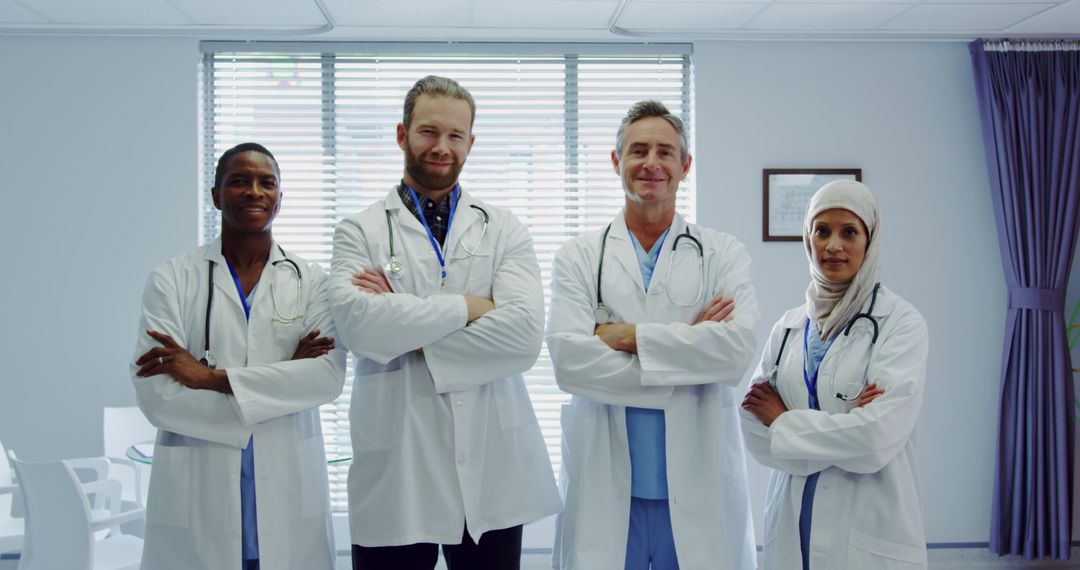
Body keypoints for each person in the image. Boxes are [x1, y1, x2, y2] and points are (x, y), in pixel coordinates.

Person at [328, 75, 560, 570]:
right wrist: (472, 307)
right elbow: (360, 327)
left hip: (490, 465)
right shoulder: (359, 229)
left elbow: (523, 336)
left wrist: (406, 330)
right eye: (428, 132)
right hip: (398, 465)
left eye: (455, 136)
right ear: (401, 135)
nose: (441, 147)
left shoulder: (504, 227)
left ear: (471, 143)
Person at [546, 100, 760, 570]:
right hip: (607, 489)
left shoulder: (722, 253)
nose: (651, 163)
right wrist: (688, 349)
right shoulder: (579, 257)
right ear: (616, 161)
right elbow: (569, 363)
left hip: (697, 486)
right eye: (638, 150)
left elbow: (735, 354)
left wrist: (626, 335)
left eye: (666, 152)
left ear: (685, 166)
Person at [130, 143, 346, 570]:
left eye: (267, 183)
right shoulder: (173, 279)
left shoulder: (312, 282)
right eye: (239, 181)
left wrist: (209, 378)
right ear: (216, 196)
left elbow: (325, 379)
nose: (254, 191)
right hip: (200, 501)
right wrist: (283, 383)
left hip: (286, 496)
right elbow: (158, 395)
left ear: (280, 198)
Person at [740, 180, 929, 570]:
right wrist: (845, 429)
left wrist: (784, 422)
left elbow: (876, 439)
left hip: (866, 528)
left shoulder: (901, 323)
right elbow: (752, 431)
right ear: (808, 239)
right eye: (821, 231)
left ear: (870, 239)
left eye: (849, 232)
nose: (833, 246)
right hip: (794, 526)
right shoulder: (788, 327)